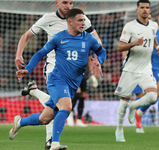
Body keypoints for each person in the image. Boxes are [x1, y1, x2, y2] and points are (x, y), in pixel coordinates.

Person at [9, 8, 107, 150]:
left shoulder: (89, 38)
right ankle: (54, 144)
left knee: (45, 118)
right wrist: (28, 69)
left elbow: (101, 51)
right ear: (70, 22)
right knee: (66, 107)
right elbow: (40, 53)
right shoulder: (59, 37)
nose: (83, 23)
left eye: (84, 20)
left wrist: (99, 61)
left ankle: (20, 122)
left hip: (72, 85)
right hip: (56, 80)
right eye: (80, 20)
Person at [114, 0, 159, 142]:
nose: (145, 10)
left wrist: (158, 47)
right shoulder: (130, 26)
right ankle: (119, 130)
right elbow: (120, 47)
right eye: (142, 7)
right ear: (137, 10)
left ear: (149, 10)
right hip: (130, 69)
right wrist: (134, 43)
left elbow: (152, 39)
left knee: (153, 97)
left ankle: (133, 107)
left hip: (146, 69)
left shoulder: (154, 25)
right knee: (123, 102)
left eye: (147, 8)